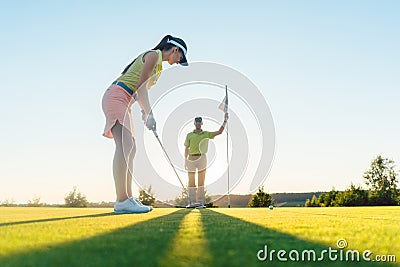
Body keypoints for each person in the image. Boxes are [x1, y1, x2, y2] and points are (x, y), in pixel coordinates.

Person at [102, 35, 188, 213]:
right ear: (175, 50)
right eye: (180, 58)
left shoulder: (158, 66)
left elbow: (139, 93)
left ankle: (127, 198)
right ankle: (122, 200)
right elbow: (141, 87)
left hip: (125, 101)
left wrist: (144, 111)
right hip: (116, 97)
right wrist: (150, 114)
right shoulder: (153, 56)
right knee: (125, 146)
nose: (178, 62)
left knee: (131, 148)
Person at [184, 113, 229, 208]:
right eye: (197, 122)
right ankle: (192, 203)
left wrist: (225, 120)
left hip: (202, 158)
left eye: (200, 122)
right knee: (191, 181)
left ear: (202, 123)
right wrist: (185, 160)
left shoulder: (206, 134)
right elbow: (186, 148)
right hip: (191, 158)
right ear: (194, 123)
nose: (198, 124)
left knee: (201, 180)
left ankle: (199, 203)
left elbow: (219, 132)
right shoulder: (189, 135)